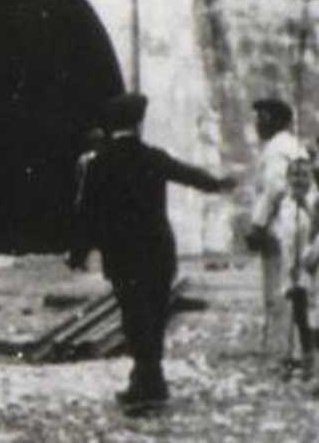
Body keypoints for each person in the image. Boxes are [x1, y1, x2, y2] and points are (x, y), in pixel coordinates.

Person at [69, 92, 236, 412]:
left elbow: (86, 214)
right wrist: (219, 184)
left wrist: (78, 253)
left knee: (134, 317)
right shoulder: (154, 158)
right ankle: (149, 381)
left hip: (122, 255)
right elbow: (189, 175)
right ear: (138, 123)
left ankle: (148, 382)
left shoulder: (98, 165)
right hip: (159, 250)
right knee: (155, 315)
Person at [248, 97, 306, 361]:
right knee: (294, 284)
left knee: (278, 289)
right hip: (296, 219)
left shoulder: (276, 149)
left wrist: (257, 224)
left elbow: (274, 188)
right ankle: (295, 348)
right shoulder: (293, 145)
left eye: (264, 118)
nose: (259, 124)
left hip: (281, 223)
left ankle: (284, 350)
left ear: (279, 121)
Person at [272, 154, 319, 379]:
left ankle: (311, 363)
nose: (299, 180)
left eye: (304, 175)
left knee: (310, 316)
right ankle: (293, 358)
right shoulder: (285, 204)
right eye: (294, 175)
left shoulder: (313, 202)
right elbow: (284, 237)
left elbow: (313, 234)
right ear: (287, 177)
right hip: (292, 267)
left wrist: (308, 208)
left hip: (311, 266)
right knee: (296, 314)